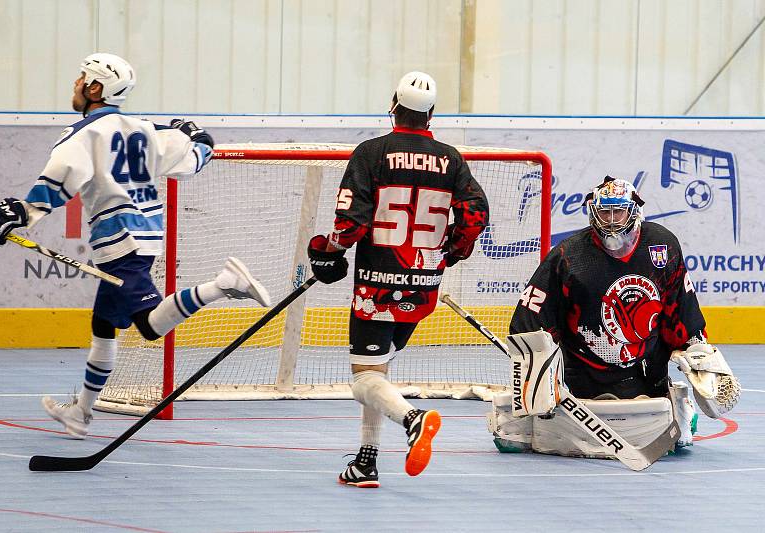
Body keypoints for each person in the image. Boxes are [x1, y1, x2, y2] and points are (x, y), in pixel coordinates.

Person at [0, 53, 271, 438]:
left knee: (148, 326)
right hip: (147, 236)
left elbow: (56, 183)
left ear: (95, 88)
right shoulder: (147, 130)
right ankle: (81, 412)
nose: (76, 84)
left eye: (82, 78)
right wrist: (199, 137)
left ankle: (223, 284)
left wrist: (17, 213)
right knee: (103, 325)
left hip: (119, 241)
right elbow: (196, 156)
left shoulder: (83, 134)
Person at [306, 71, 489, 487]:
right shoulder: (451, 159)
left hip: (377, 285)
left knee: (364, 379)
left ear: (393, 107)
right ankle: (366, 461)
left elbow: (350, 223)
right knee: (378, 373)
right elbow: (477, 214)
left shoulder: (372, 153)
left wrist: (327, 249)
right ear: (431, 115)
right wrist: (454, 251)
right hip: (423, 285)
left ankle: (413, 419)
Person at [505, 176, 739, 455]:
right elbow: (530, 317)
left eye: (619, 211)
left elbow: (680, 306)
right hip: (583, 372)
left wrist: (696, 348)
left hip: (646, 368)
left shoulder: (662, 245)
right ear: (593, 212)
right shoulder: (569, 256)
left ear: (634, 211)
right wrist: (537, 369)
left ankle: (676, 401)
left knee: (675, 434)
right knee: (516, 436)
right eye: (605, 211)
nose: (612, 220)